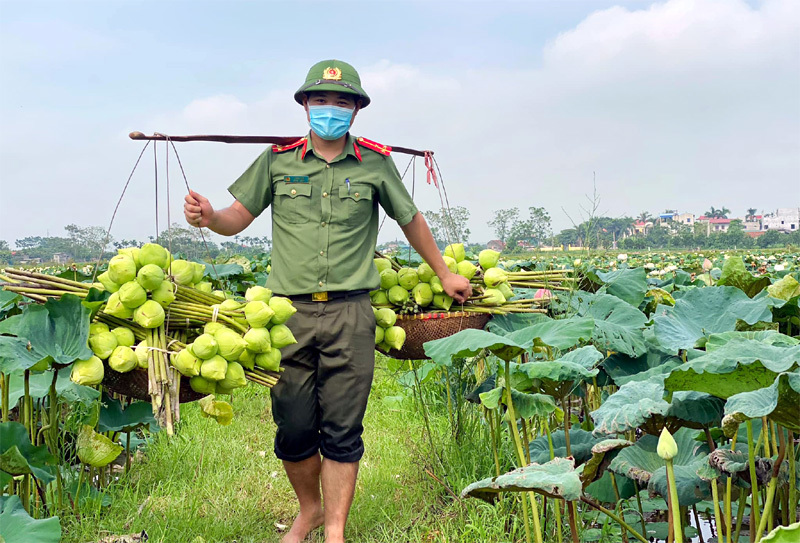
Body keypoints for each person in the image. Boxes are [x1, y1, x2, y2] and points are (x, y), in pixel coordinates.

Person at [184, 59, 471, 543]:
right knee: (293, 425)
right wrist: (209, 216)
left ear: (356, 112)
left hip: (350, 312)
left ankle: (335, 528)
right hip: (286, 315)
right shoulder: (277, 160)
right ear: (305, 106)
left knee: (343, 427)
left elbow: (411, 219)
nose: (331, 110)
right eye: (321, 100)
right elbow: (236, 216)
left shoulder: (375, 164)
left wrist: (444, 272)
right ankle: (309, 510)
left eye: (342, 102)